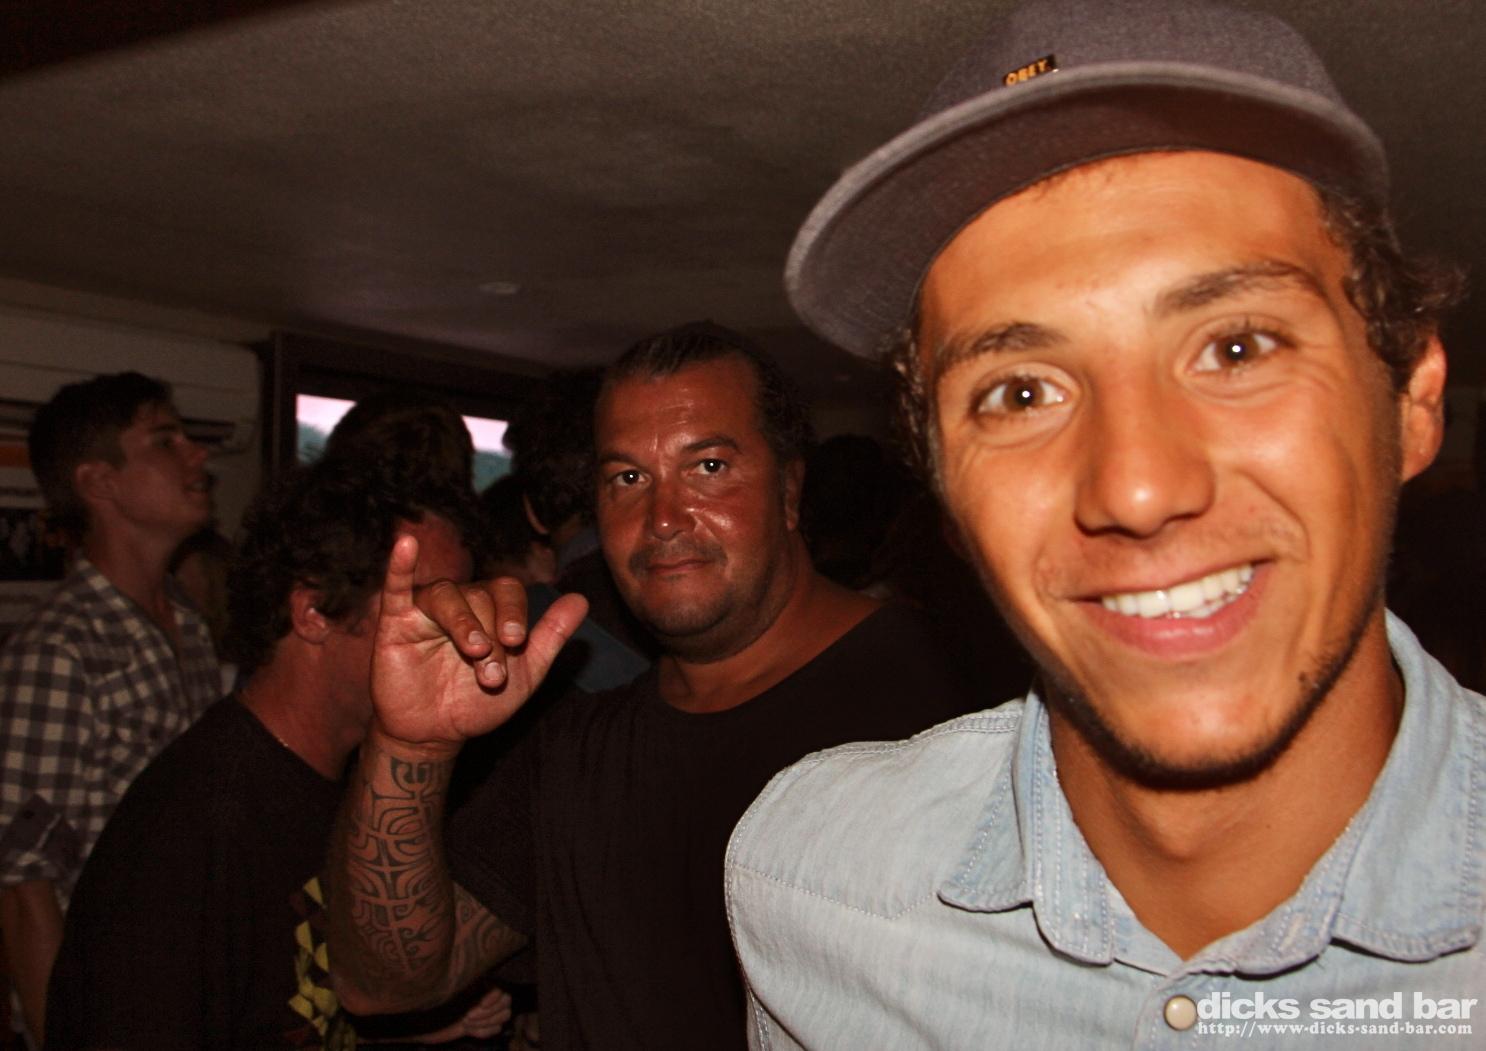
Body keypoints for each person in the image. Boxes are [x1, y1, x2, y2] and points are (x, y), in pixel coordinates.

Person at [723, 0, 1483, 1046]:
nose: (1135, 488)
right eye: (1021, 393)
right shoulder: (813, 877)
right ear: (945, 495)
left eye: (1236, 348)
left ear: (1411, 401)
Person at [324, 322, 976, 1050]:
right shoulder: (575, 743)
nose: (662, 518)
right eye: (628, 479)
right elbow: (382, 981)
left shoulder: (958, 698)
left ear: (790, 490)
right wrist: (409, 745)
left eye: (709, 467)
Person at [45, 453, 512, 1049]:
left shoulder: (360, 787)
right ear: (313, 612)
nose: (459, 631)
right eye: (424, 604)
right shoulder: (194, 827)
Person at [0, 372, 220, 1047]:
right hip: (109, 1008)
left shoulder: (190, 625)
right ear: (100, 483)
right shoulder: (59, 648)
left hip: (189, 991)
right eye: (165, 439)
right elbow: (22, 882)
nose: (198, 454)